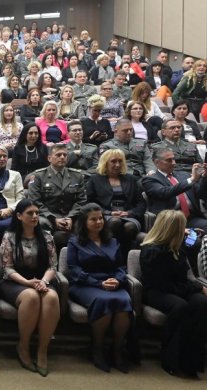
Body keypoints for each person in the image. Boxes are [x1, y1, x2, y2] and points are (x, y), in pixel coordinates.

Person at [67, 203, 134, 373]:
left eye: (101, 218)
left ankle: (117, 349)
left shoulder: (112, 241)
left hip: (112, 283)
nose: (98, 222)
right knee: (104, 300)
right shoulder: (75, 241)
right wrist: (98, 284)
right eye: (93, 219)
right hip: (85, 284)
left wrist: (118, 280)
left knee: (124, 301)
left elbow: (121, 267)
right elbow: (74, 269)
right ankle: (97, 348)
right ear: (84, 222)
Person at [140, 210, 207, 378]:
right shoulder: (153, 251)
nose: (186, 231)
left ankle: (192, 358)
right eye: (182, 228)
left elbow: (194, 246)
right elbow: (164, 284)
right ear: (172, 230)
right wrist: (197, 287)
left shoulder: (178, 246)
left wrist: (190, 234)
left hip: (177, 288)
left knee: (201, 303)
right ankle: (170, 359)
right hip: (156, 291)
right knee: (180, 307)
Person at [0, 199, 60, 376]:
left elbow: (52, 266)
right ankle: (23, 347)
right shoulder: (9, 236)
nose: (35, 216)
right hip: (16, 281)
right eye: (30, 213)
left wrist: (44, 281)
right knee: (31, 297)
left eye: (37, 213)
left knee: (51, 297)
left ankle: (42, 350)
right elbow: (7, 268)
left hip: (43, 279)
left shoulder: (47, 236)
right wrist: (27, 283)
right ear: (19, 216)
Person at [28, 143, 87, 248]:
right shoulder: (39, 176)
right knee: (40, 222)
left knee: (87, 221)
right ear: (49, 158)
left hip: (71, 216)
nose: (62, 157)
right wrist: (53, 218)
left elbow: (81, 200)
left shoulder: (77, 176)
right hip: (48, 216)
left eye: (65, 155)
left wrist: (70, 217)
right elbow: (35, 201)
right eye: (58, 155)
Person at [142, 147, 207, 230]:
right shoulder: (150, 179)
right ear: (156, 162)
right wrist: (192, 179)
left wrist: (204, 178)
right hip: (169, 221)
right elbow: (165, 192)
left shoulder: (184, 175)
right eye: (169, 160)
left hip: (191, 218)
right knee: (194, 241)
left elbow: (200, 194)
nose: (174, 163)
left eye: (174, 159)